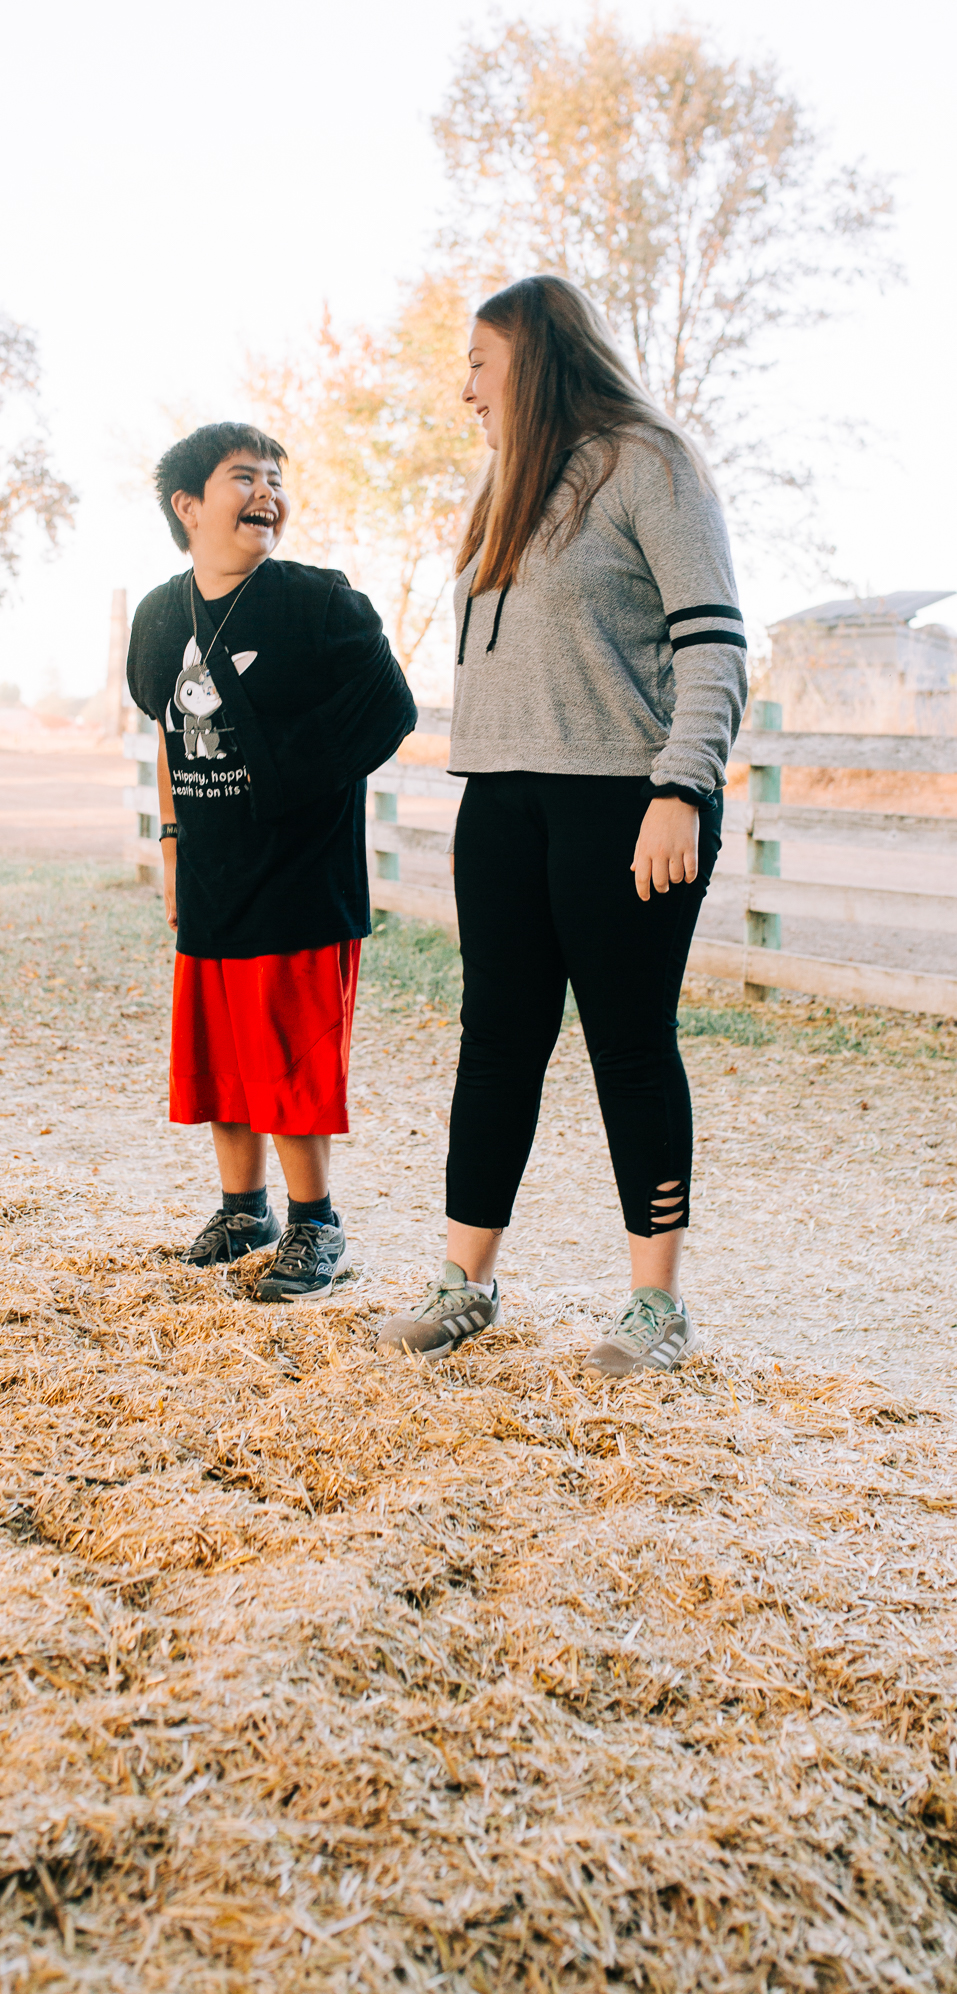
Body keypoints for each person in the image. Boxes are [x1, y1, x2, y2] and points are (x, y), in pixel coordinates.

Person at [378, 276, 746, 1375]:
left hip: (625, 805)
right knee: (496, 1046)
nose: (465, 389)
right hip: (499, 800)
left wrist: (681, 788)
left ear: (533, 357)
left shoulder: (650, 461)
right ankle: (464, 1283)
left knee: (629, 1048)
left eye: (480, 363)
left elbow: (715, 642)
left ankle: (656, 1308)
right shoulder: (503, 486)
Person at [128, 422, 416, 1301]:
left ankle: (315, 1224)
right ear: (188, 505)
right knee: (220, 1055)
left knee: (289, 1058)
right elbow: (172, 740)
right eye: (242, 477)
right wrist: (173, 844)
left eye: (275, 479)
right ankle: (242, 1209)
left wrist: (283, 783)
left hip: (301, 874)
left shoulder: (321, 605)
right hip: (212, 870)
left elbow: (389, 712)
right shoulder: (158, 616)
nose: (267, 494)